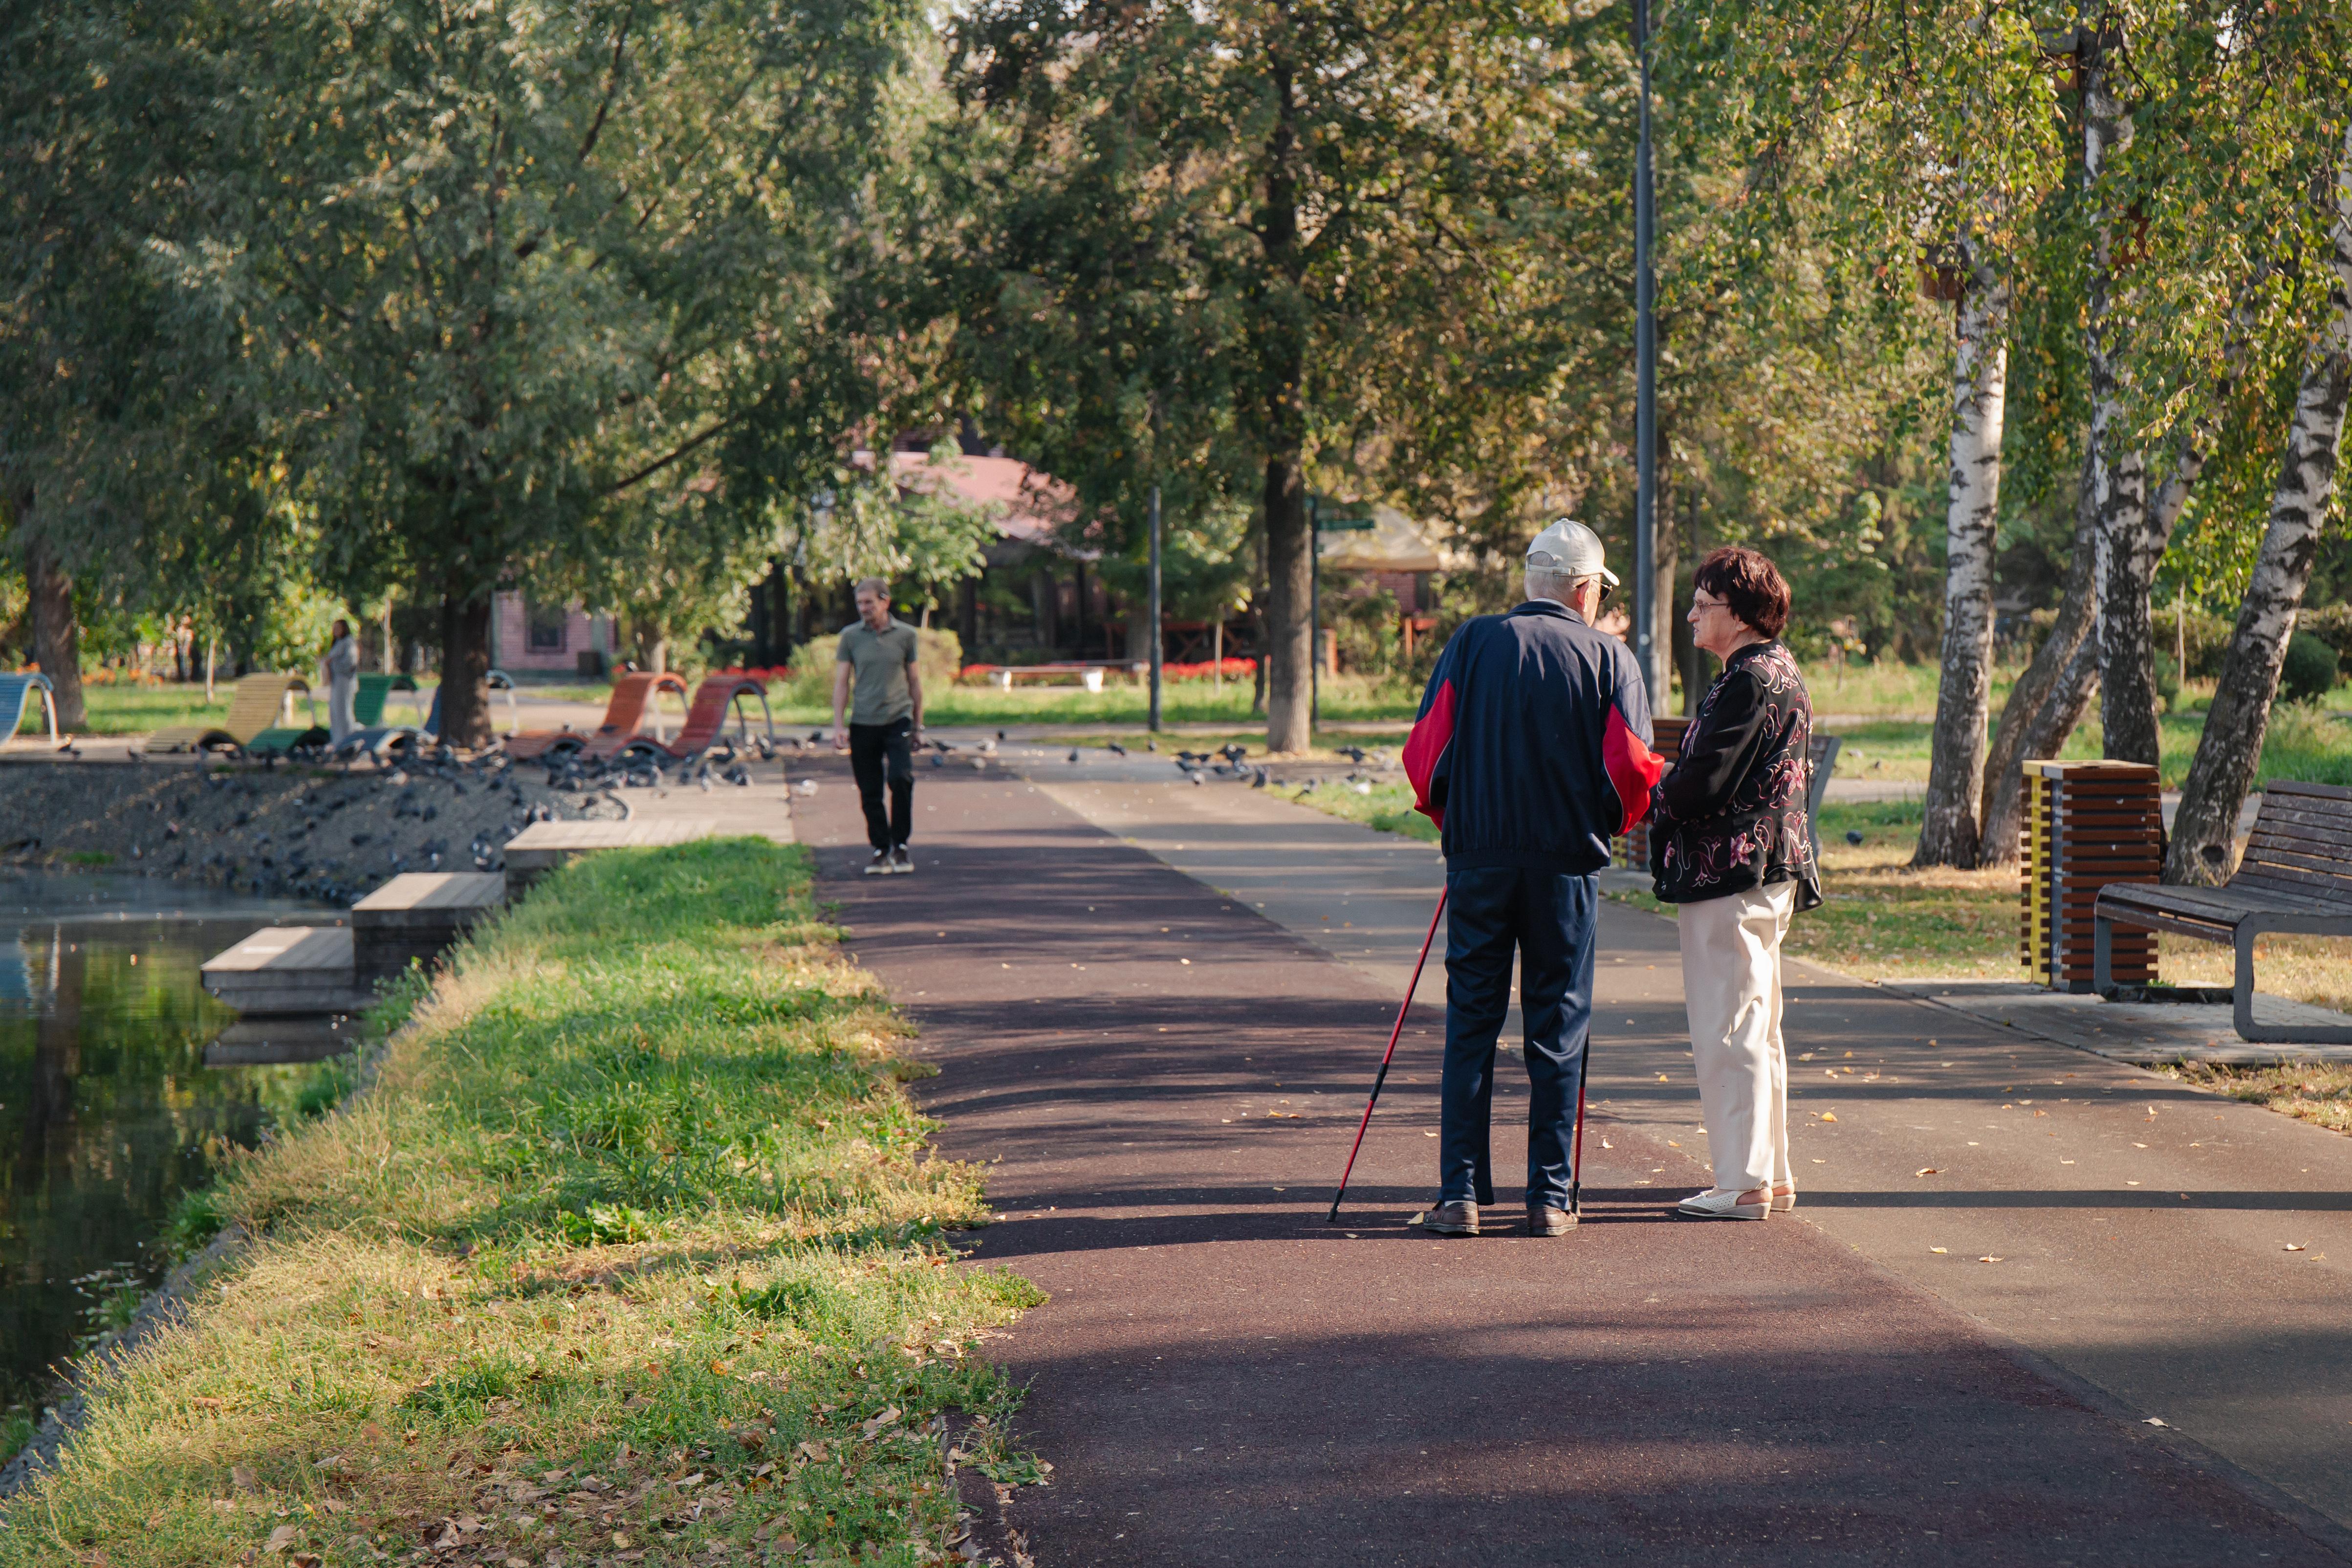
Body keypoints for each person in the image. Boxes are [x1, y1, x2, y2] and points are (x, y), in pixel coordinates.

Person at [1402, 520, 1662, 1238]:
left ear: (1530, 582)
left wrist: (1456, 825)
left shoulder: (1472, 642)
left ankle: (1460, 1196)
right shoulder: (1610, 658)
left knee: (1472, 1026)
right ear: (1585, 589)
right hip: (1565, 864)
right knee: (1558, 1028)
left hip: (1480, 859)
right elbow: (1634, 769)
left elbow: (1425, 753)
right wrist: (1604, 824)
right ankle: (1550, 1198)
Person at [1650, 546, 1821, 1220]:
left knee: (1730, 1026)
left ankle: (1743, 1181)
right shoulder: (1773, 671)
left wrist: (1649, 785)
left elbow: (1703, 784)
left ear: (1743, 613)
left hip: (1733, 870)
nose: (1691, 612)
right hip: (1761, 868)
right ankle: (1766, 1173)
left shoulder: (1750, 678)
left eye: (1704, 602)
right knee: (1756, 1025)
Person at [831, 577, 923, 875]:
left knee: (901, 778)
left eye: (869, 602)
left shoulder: (906, 636)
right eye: (860, 603)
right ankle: (881, 849)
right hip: (863, 721)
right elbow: (842, 682)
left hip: (898, 719)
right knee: (869, 789)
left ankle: (901, 845)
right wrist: (838, 725)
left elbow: (915, 682)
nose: (864, 608)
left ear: (885, 601)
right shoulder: (850, 637)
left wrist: (919, 725)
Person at [322, 619, 359, 742]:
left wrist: (333, 664)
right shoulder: (338, 643)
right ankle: (337, 740)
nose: (335, 631)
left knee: (344, 710)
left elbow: (350, 664)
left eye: (338, 628)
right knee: (335, 711)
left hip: (345, 681)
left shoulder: (349, 643)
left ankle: (347, 739)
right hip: (336, 681)